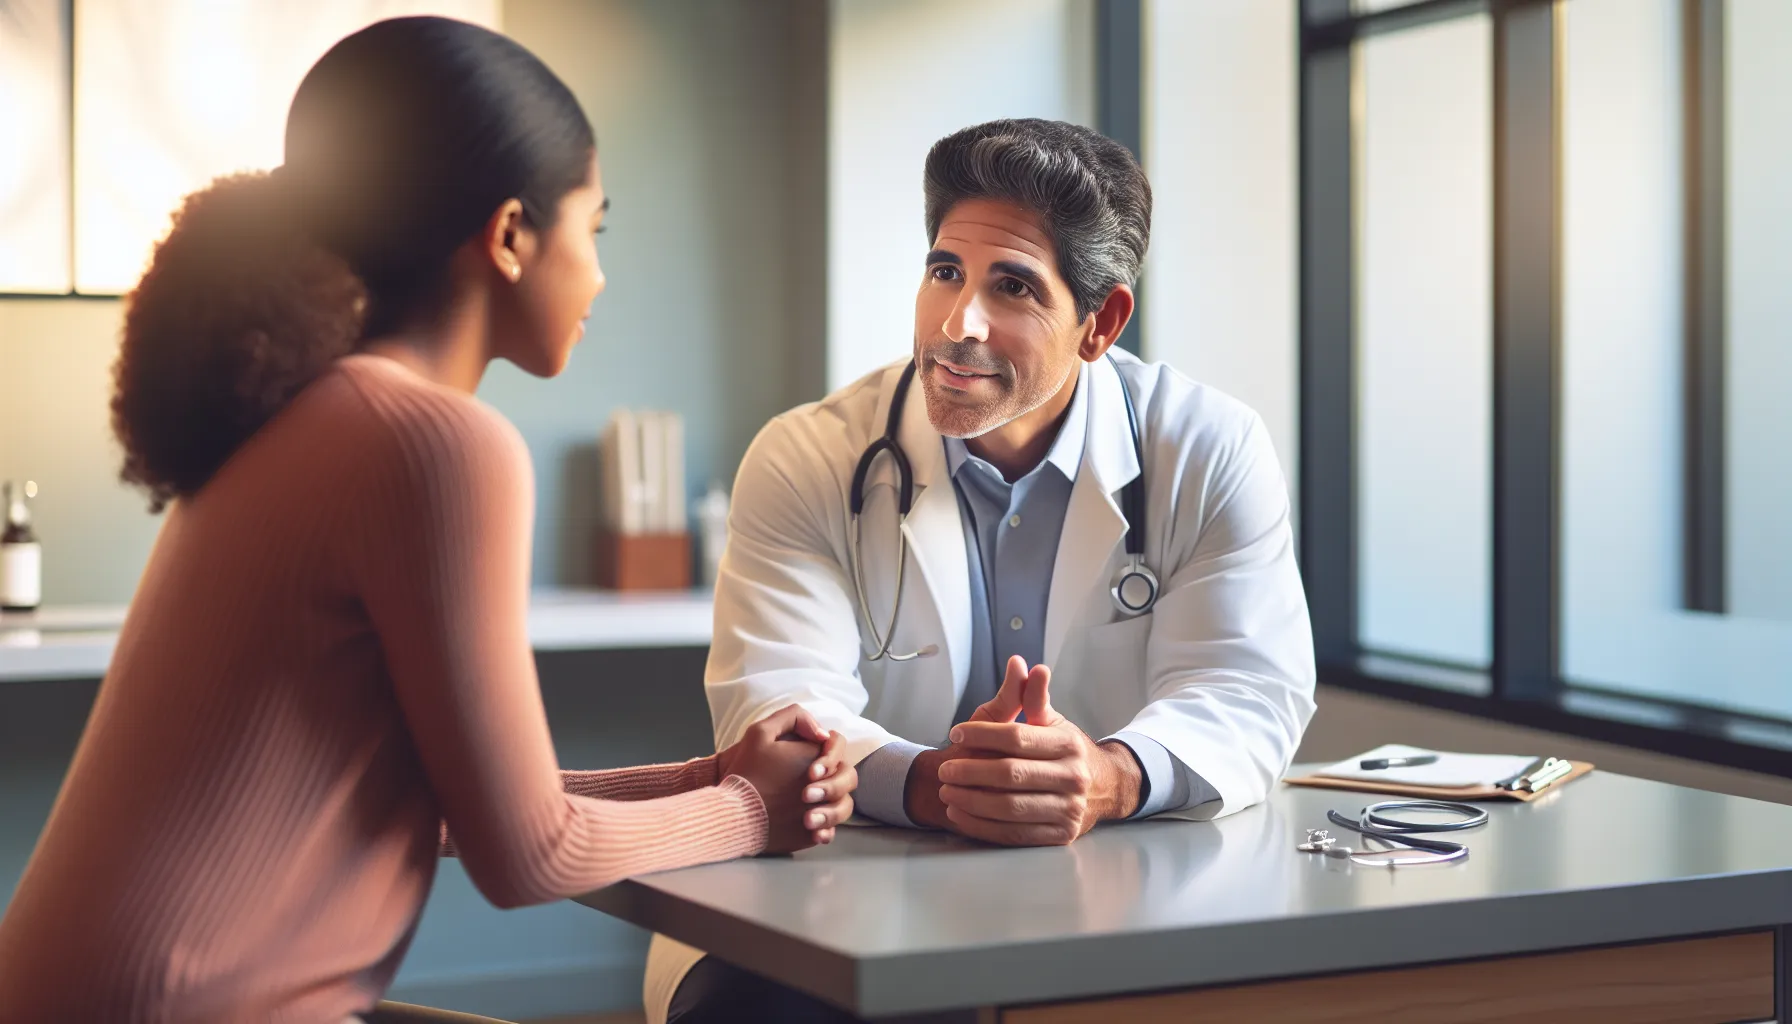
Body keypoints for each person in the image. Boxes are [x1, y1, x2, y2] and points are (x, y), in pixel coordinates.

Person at [0, 17, 855, 1024]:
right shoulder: (435, 443)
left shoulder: (305, 410)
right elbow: (528, 852)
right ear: (507, 236)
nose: (600, 273)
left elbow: (463, 803)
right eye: (596, 228)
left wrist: (709, 775)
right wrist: (751, 808)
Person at [647, 118, 1317, 1022]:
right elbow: (776, 713)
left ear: (1102, 321)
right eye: (944, 272)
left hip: (1107, 900)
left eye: (1013, 286)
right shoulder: (808, 456)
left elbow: (1247, 692)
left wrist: (1108, 776)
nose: (958, 324)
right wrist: (942, 787)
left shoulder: (1206, 449)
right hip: (829, 898)